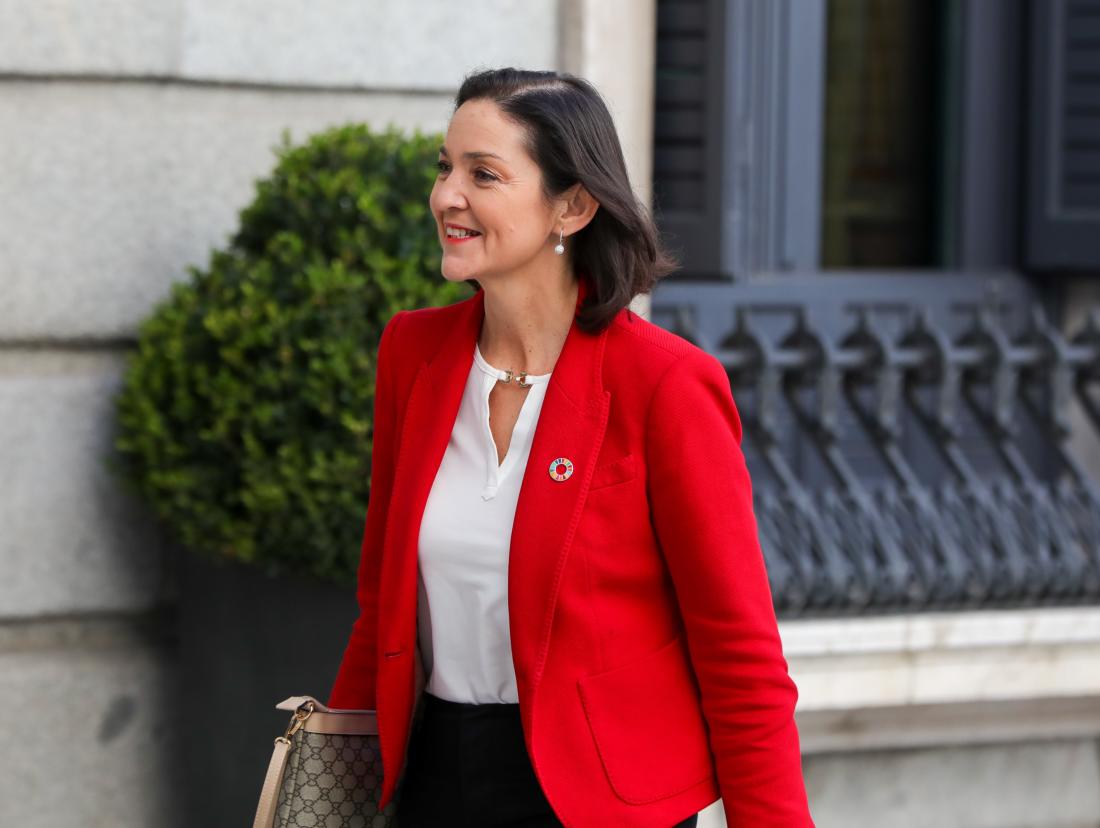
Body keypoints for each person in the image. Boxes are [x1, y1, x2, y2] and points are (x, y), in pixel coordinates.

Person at [327, 67, 813, 827]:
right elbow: (379, 608)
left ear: (572, 206)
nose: (447, 195)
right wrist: (337, 797)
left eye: (483, 174)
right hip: (432, 780)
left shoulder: (667, 384)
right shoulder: (411, 354)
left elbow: (740, 656)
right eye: (445, 167)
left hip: (599, 802)